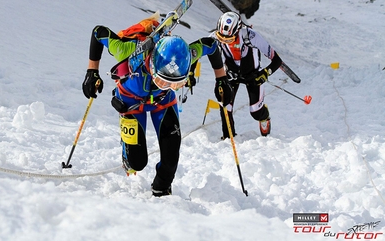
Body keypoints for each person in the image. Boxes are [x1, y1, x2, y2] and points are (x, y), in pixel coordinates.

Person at [82, 15, 232, 197]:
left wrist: (221, 80)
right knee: (136, 162)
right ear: (152, 66)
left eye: (176, 84)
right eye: (162, 81)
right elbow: (98, 32)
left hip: (163, 103)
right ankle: (128, 155)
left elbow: (211, 45)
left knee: (171, 156)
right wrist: (92, 72)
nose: (168, 86)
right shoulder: (126, 50)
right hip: (131, 102)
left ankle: (161, 188)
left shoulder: (185, 56)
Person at [211, 11, 282, 139]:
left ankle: (264, 117)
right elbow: (198, 50)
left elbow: (277, 60)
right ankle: (229, 137)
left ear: (237, 31)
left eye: (229, 39)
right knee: (225, 106)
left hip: (252, 76)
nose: (225, 42)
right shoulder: (215, 37)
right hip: (232, 74)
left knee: (255, 112)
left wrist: (265, 73)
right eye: (222, 39)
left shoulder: (251, 36)